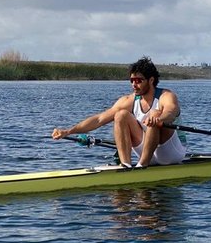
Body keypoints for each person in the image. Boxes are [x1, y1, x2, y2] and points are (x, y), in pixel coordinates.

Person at [51, 56, 186, 168]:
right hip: (147, 150)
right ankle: (126, 165)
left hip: (171, 152)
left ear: (151, 80)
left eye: (138, 81)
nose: (134, 84)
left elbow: (171, 111)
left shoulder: (166, 95)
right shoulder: (130, 100)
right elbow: (99, 119)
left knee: (155, 114)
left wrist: (160, 119)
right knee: (120, 115)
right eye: (132, 80)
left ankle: (142, 166)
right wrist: (68, 131)